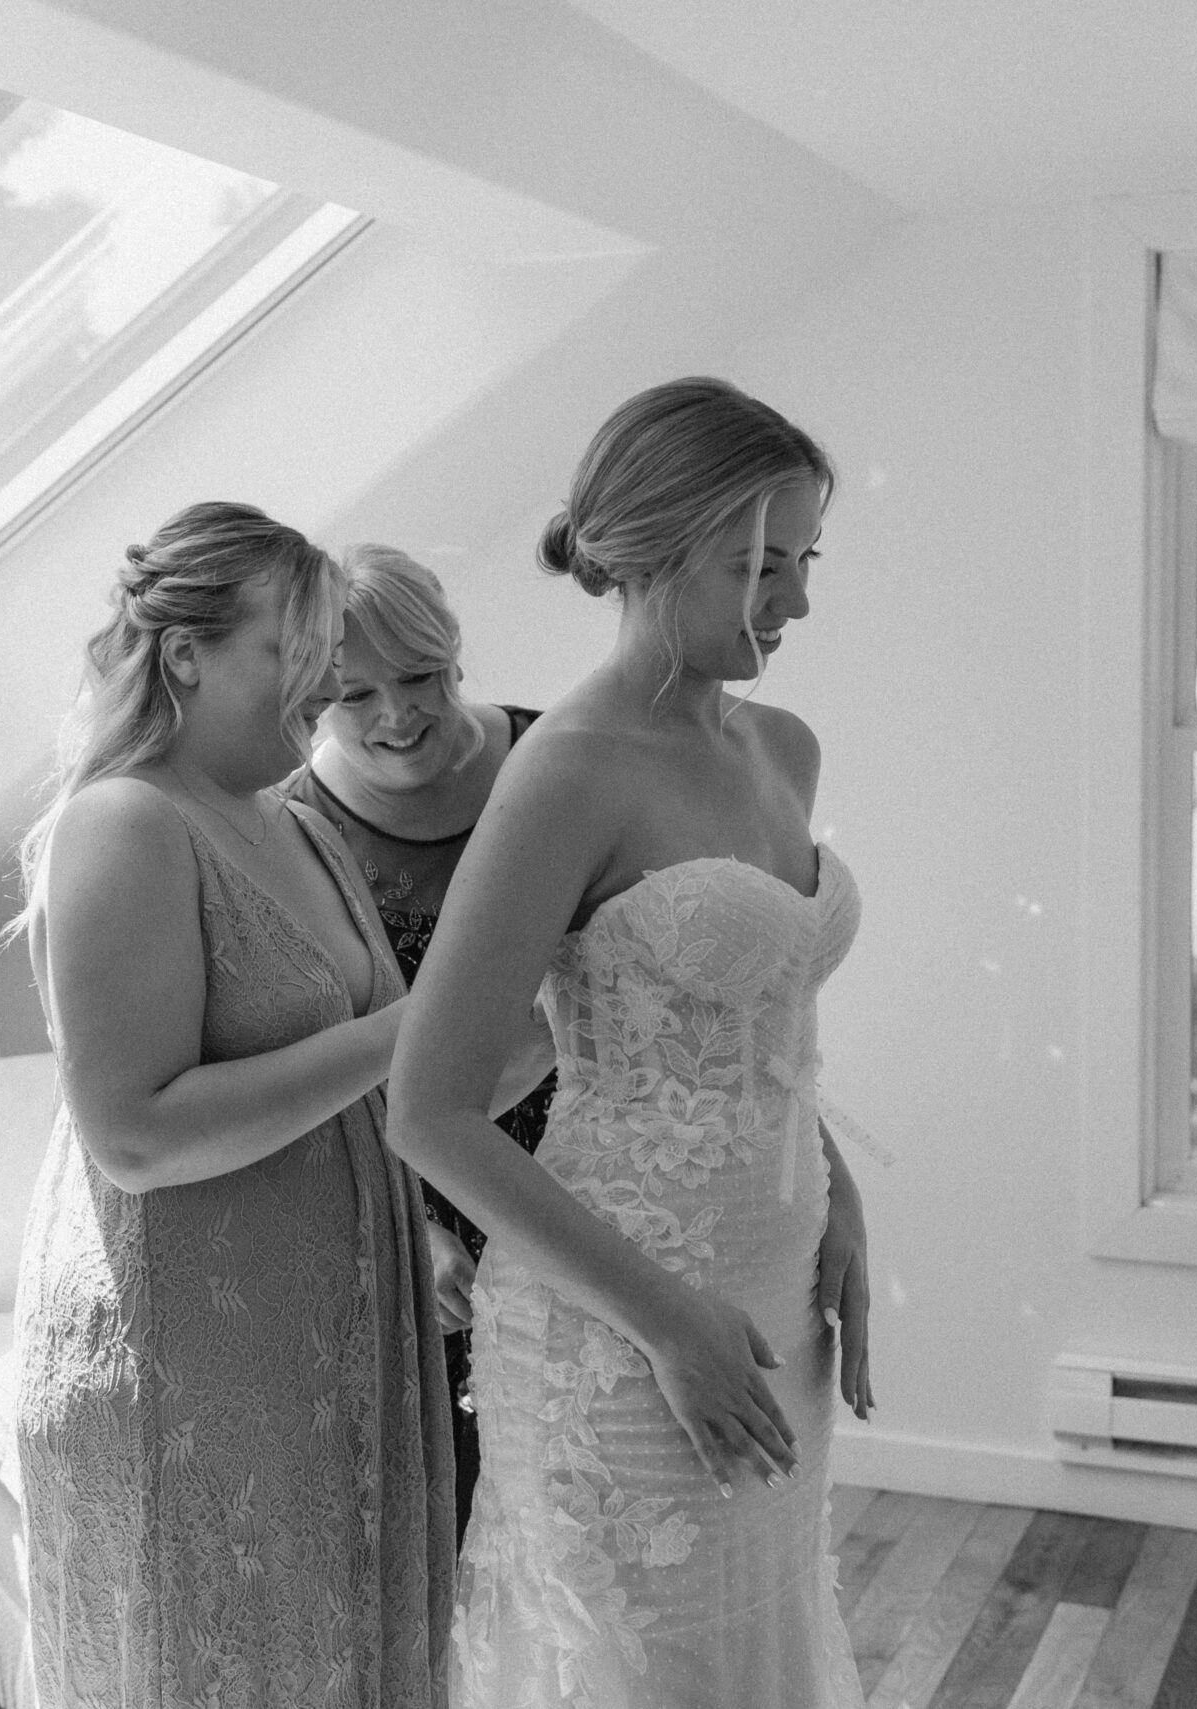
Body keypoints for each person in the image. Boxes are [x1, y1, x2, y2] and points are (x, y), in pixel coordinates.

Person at [387, 379, 874, 1706]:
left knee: (759, 1655)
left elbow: (767, 1028)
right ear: (652, 551)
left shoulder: (785, 745)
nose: (794, 603)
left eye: (803, 560)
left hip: (777, 1301)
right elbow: (428, 1108)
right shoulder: (570, 770)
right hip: (622, 1331)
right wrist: (670, 1324)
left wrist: (845, 1205)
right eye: (758, 566)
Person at [7, 502, 451, 1709]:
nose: (322, 679)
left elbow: (384, 1076)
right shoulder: (126, 821)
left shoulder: (297, 819)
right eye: (288, 647)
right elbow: (134, 1132)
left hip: (330, 1337)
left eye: (325, 646)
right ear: (187, 650)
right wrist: (398, 1031)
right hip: (188, 1367)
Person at [280, 545, 558, 1539]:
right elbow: (316, 1057)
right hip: (413, 1197)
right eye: (355, 694)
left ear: (456, 658)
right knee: (457, 1516)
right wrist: (405, 1223)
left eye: (420, 678)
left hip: (583, 1165)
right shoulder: (290, 828)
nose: (397, 715)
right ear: (310, 693)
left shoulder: (553, 757)